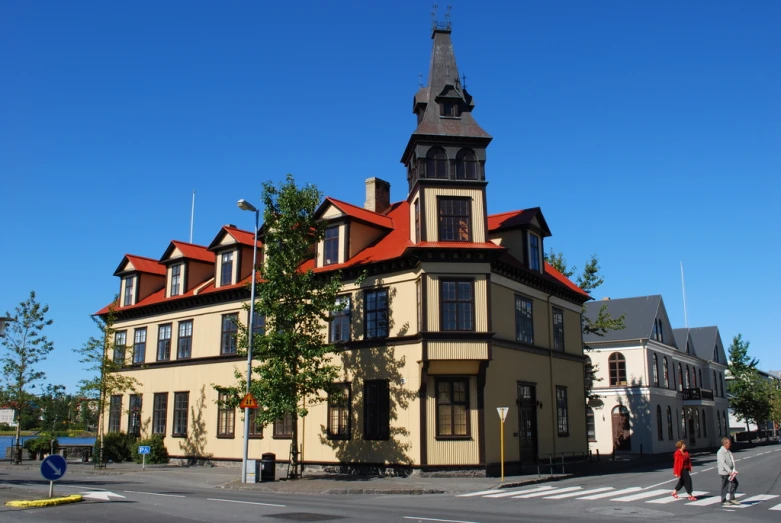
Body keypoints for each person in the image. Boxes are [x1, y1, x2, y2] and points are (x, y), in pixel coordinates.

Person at [717, 437, 740, 506]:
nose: (730, 444)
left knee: (735, 483)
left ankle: (732, 498)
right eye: (729, 443)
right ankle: (723, 500)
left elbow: (731, 461)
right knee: (725, 486)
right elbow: (723, 463)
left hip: (730, 472)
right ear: (725, 444)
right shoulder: (721, 452)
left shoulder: (728, 451)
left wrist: (733, 470)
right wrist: (729, 471)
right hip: (725, 472)